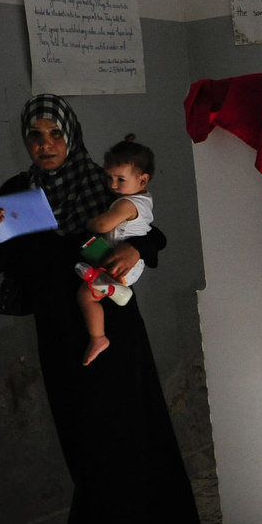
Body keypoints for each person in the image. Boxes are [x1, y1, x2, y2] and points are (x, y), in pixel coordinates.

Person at [0, 95, 204, 524]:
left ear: (70, 135)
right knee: (81, 439)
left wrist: (135, 247)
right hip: (57, 329)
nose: (46, 145)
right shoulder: (17, 194)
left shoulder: (104, 183)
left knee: (118, 433)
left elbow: (151, 234)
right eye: (36, 136)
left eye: (55, 134)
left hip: (109, 325)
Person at [75, 139, 156, 366]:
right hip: (127, 265)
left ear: (142, 179)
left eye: (120, 179)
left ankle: (98, 337)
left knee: (85, 295)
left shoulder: (125, 204)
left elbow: (102, 226)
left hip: (121, 265)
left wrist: (89, 223)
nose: (112, 185)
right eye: (109, 177)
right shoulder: (143, 200)